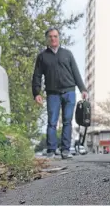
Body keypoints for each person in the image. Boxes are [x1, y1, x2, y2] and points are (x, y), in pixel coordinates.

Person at [32, 27, 88, 159]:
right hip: (53, 94)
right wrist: (36, 93)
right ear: (47, 39)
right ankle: (51, 150)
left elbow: (75, 72)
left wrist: (83, 89)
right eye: (50, 36)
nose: (53, 38)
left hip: (69, 92)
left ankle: (65, 150)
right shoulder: (42, 57)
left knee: (67, 121)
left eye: (55, 36)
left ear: (59, 38)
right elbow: (37, 76)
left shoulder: (67, 54)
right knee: (52, 122)